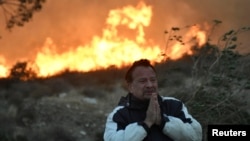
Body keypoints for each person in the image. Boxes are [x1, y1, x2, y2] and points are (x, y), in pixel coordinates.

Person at [103, 59, 202, 141]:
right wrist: (146, 124)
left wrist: (163, 122)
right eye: (142, 81)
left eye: (153, 80)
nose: (150, 85)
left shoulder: (173, 105)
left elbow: (196, 135)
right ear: (130, 87)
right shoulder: (120, 114)